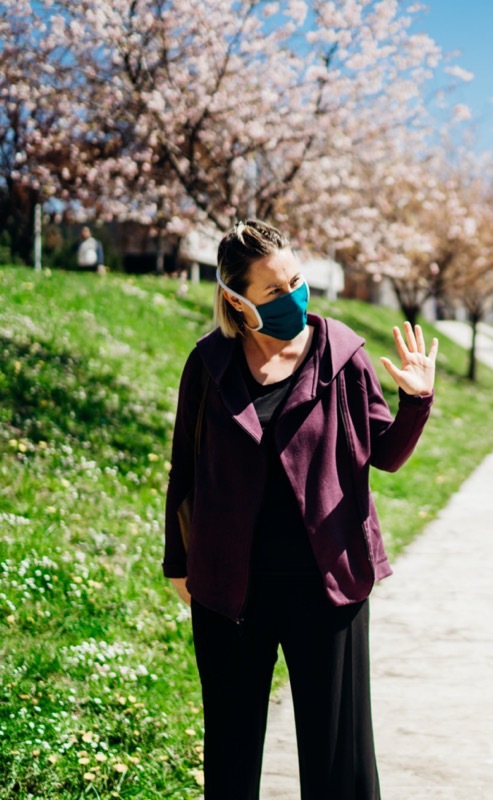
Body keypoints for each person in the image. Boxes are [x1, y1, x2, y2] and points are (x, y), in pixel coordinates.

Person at [162, 219, 437, 799]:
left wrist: (416, 400)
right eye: (273, 291)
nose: (293, 298)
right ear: (236, 301)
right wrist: (177, 563)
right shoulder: (209, 364)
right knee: (232, 755)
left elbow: (384, 456)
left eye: (296, 281)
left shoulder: (342, 354)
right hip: (230, 589)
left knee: (340, 762)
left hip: (327, 584)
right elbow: (184, 469)